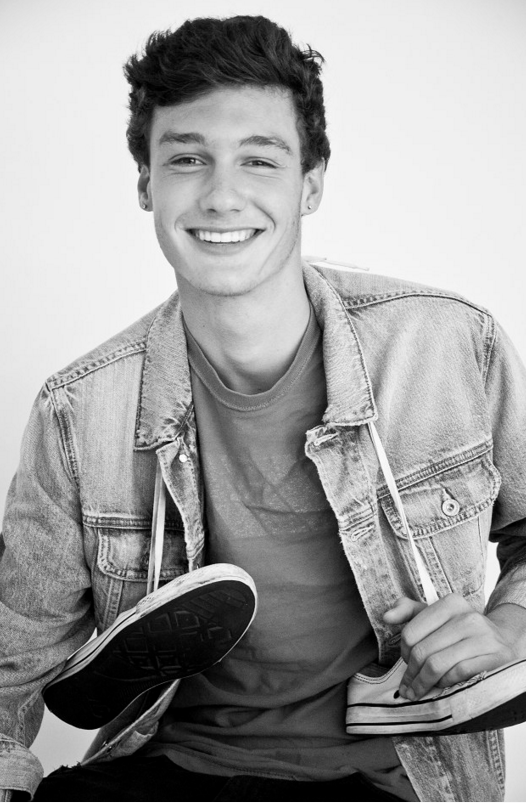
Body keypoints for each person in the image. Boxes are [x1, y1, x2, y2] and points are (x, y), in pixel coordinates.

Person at [1, 14, 526, 802]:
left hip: (391, 777)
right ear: (145, 182)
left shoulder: (449, 346)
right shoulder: (79, 412)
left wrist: (511, 627)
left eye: (259, 159)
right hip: (164, 771)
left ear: (310, 182)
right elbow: (12, 663)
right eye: (187, 158)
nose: (221, 195)